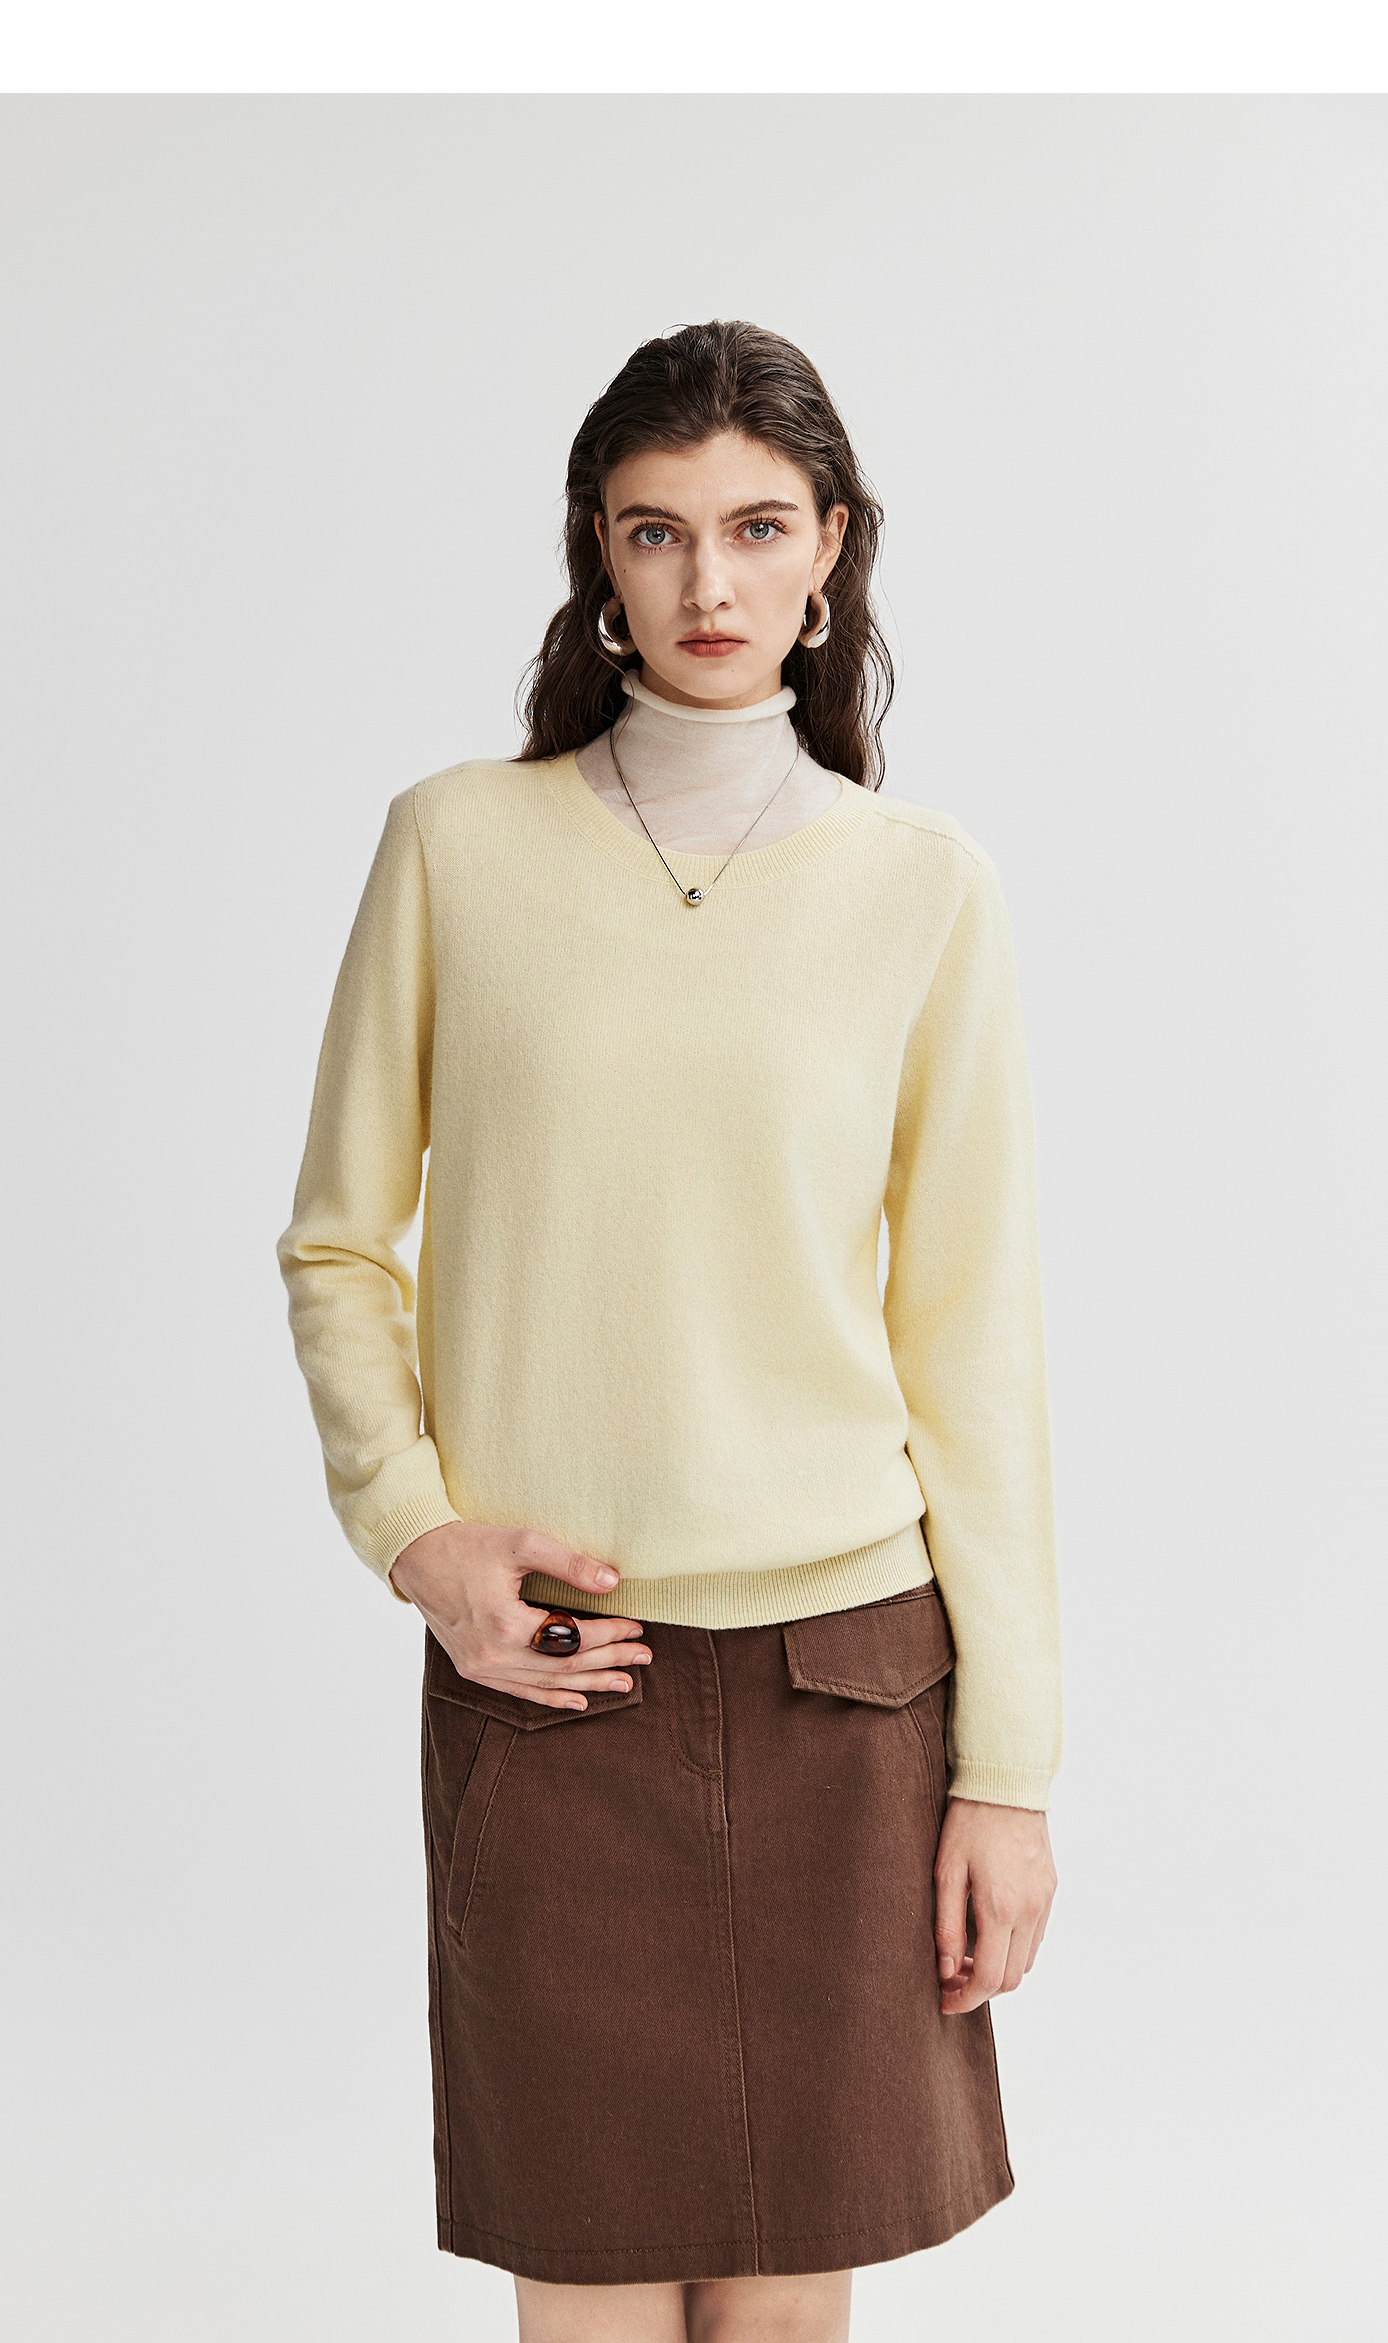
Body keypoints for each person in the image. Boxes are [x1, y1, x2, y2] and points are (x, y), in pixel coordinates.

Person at [276, 319, 1062, 2343]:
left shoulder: (926, 890)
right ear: (599, 557)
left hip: (851, 1690)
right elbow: (339, 1244)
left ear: (831, 550)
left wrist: (1010, 1770)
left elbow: (975, 1350)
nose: (709, 581)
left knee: (788, 2310)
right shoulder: (458, 843)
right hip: (558, 1679)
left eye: (757, 527)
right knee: (595, 2302)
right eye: (657, 531)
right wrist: (418, 1534)